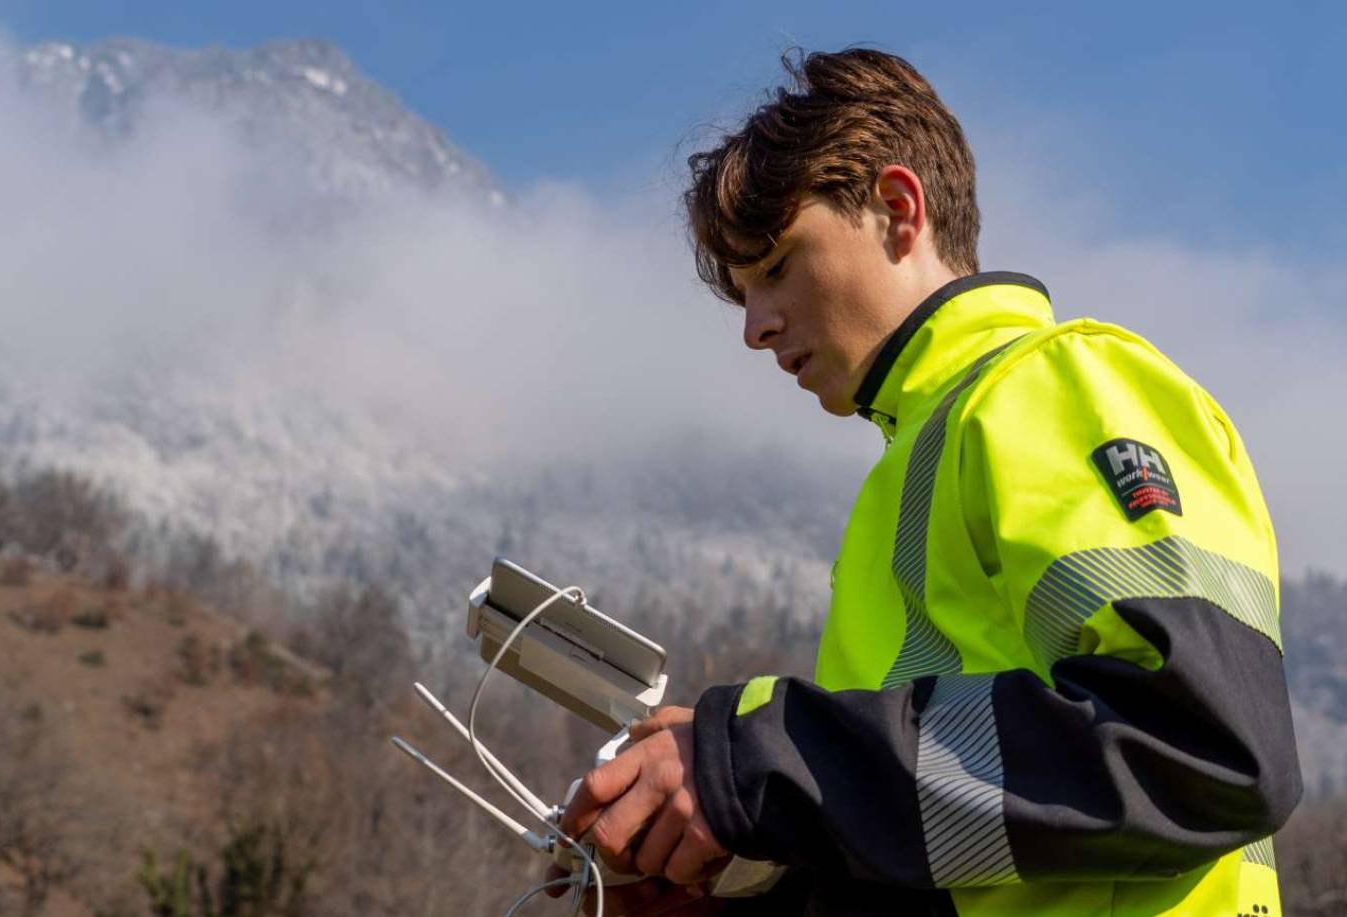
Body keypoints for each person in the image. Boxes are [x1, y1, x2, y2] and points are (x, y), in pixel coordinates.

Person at [552, 47, 1302, 916]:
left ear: (897, 210)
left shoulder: (1050, 384)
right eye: (742, 295)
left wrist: (755, 761)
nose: (755, 328)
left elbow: (1206, 746)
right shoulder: (909, 476)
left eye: (777, 266)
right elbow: (953, 843)